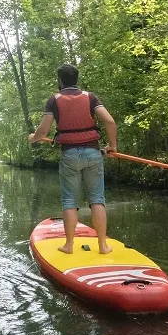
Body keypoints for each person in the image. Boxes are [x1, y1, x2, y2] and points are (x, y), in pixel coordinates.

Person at [28, 63, 118, 255]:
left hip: (69, 155)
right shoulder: (90, 97)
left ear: (60, 80)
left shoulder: (54, 99)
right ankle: (103, 246)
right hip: (93, 154)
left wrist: (33, 138)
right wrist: (112, 146)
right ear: (76, 79)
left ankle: (69, 245)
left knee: (69, 200)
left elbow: (43, 131)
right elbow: (110, 121)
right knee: (97, 200)